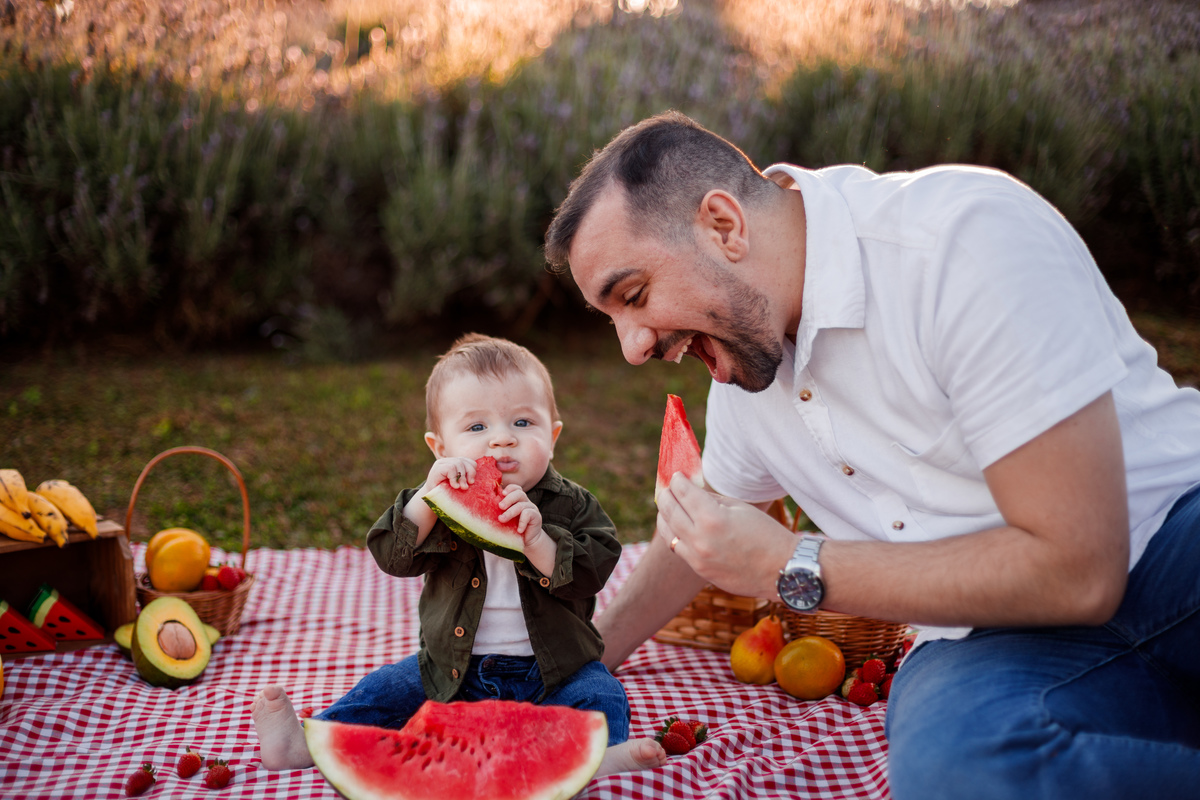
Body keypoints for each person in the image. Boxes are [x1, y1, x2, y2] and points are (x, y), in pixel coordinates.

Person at [543, 110, 1200, 798]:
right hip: (993, 643)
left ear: (724, 226)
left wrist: (789, 565)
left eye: (635, 295)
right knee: (958, 771)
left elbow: (1079, 571)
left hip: (1171, 545)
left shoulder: (960, 243)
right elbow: (695, 534)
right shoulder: (746, 367)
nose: (634, 348)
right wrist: (579, 661)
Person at [252, 333, 666, 775]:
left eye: (523, 423)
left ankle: (599, 758)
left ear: (554, 435)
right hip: (452, 670)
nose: (502, 441)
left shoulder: (575, 504)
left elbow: (595, 568)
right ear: (440, 448)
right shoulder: (435, 502)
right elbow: (394, 557)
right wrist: (428, 500)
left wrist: (539, 542)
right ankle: (305, 743)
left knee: (602, 693)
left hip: (556, 673)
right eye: (477, 427)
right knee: (385, 688)